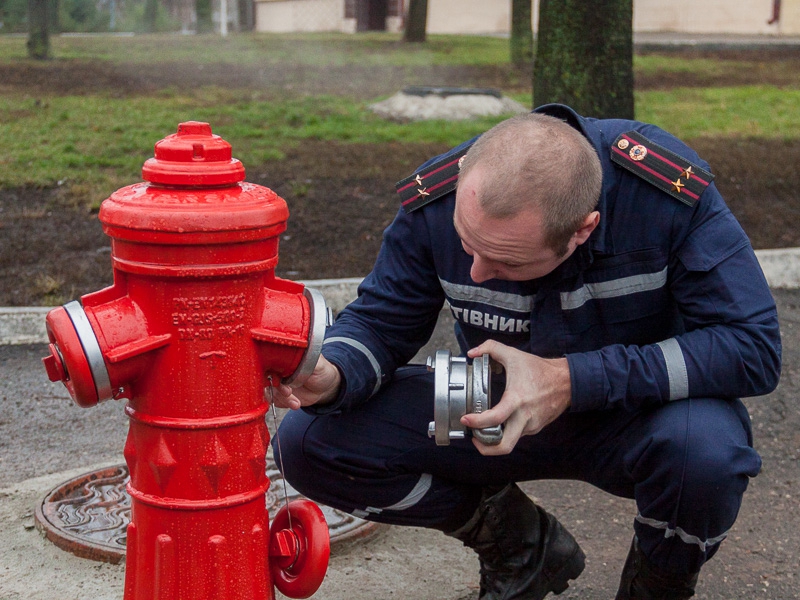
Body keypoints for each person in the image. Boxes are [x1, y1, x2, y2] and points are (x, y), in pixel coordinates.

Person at [272, 104, 782, 599]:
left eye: (504, 262)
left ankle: (657, 584)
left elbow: (752, 345)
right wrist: (333, 371)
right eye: (466, 244)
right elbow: (383, 321)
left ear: (583, 229)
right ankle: (520, 548)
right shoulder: (445, 195)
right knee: (308, 441)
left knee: (708, 456)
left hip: (639, 413)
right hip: (494, 410)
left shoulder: (664, 197)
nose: (474, 272)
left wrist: (572, 379)